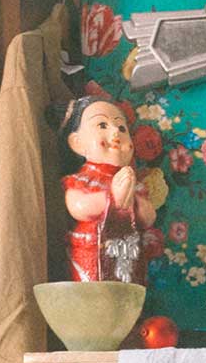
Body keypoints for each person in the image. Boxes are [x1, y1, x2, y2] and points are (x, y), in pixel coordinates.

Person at [60, 96, 156, 283]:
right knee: (94, 296)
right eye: (102, 125)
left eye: (121, 128)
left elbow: (149, 217)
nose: (115, 132)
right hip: (92, 251)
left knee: (129, 293)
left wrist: (133, 200)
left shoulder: (133, 182)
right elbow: (79, 207)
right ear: (77, 143)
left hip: (128, 253)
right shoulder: (82, 179)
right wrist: (113, 197)